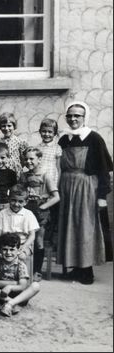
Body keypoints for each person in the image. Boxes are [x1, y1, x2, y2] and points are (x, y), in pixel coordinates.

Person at [56, 101, 113, 285]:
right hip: (66, 187)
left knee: (85, 227)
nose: (73, 119)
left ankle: (87, 271)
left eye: (77, 116)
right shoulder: (63, 140)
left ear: (84, 117)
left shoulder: (94, 138)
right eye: (70, 115)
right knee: (69, 227)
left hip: (86, 187)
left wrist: (102, 196)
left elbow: (104, 170)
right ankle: (75, 268)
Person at [20, 146, 61, 281]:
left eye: (32, 159)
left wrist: (43, 207)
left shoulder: (45, 175)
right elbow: (20, 193)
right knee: (24, 238)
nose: (28, 161)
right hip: (26, 211)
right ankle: (23, 269)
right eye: (26, 159)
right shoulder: (24, 176)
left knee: (38, 241)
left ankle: (37, 271)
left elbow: (56, 197)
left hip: (40, 213)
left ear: (39, 159)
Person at [0, 232, 41, 317]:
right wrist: (16, 283)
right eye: (5, 249)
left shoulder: (21, 265)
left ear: (18, 251)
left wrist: (10, 287)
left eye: (12, 249)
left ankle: (10, 303)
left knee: (36, 286)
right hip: (0, 294)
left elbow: (22, 286)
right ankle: (11, 302)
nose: (8, 253)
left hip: (18, 295)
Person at [0, 185, 39, 263]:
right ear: (8, 199)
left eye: (20, 201)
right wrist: (0, 245)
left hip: (22, 244)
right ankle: (2, 271)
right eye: (13, 200)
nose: (16, 204)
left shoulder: (28, 214)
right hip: (5, 244)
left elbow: (32, 235)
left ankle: (20, 270)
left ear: (26, 202)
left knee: (21, 256)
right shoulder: (3, 213)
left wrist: (24, 247)